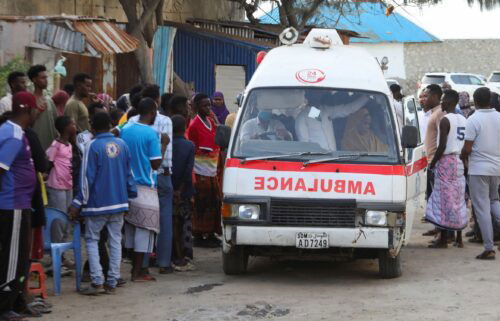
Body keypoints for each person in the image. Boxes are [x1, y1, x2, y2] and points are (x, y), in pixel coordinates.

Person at [69, 112, 137, 294]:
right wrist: (130, 196)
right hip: (119, 201)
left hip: (97, 203)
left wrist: (77, 202)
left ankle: (97, 280)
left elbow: (86, 178)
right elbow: (129, 174)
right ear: (110, 124)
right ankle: (112, 281)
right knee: (115, 241)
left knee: (92, 240)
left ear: (92, 127)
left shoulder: (92, 146)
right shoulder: (122, 145)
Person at [127, 84, 173, 275]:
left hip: (130, 179)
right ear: (156, 103)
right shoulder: (164, 122)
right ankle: (161, 263)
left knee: (136, 223)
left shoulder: (129, 124)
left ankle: (140, 264)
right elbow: (162, 158)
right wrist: (163, 145)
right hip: (156, 177)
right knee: (159, 222)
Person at [0, 92, 37, 321]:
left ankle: (15, 301)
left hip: (18, 203)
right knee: (13, 257)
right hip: (12, 203)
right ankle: (4, 306)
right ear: (29, 110)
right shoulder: (13, 135)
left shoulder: (10, 129)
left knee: (19, 255)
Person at [121, 98, 162, 281]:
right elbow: (155, 163)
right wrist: (165, 144)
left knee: (130, 226)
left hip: (126, 183)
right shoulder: (151, 134)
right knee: (145, 228)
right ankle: (138, 270)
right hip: (145, 185)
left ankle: (136, 268)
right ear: (152, 113)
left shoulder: (126, 129)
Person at [461, 87, 500, 260]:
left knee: (482, 208)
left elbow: (467, 148)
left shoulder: (473, 119)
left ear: (475, 102)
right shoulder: (499, 117)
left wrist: (462, 157)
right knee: (494, 201)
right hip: (496, 168)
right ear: (490, 101)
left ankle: (489, 247)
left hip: (478, 169)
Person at [425, 90, 467, 248]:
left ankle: (443, 239)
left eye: (443, 100)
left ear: (449, 102)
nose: (441, 103)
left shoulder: (446, 120)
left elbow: (442, 146)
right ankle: (459, 238)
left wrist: (433, 163)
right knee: (458, 198)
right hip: (459, 161)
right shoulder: (463, 119)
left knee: (443, 200)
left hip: (446, 162)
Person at [187, 93, 222, 247]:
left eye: (209, 105)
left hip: (212, 169)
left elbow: (219, 137)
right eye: (205, 105)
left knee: (214, 202)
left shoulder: (210, 121)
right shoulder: (194, 125)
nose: (208, 108)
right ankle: (200, 233)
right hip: (201, 170)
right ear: (197, 107)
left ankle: (211, 232)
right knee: (203, 202)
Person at [46, 116, 77, 265]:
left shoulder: (69, 145)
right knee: (57, 221)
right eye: (72, 123)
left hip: (67, 186)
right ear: (65, 127)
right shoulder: (55, 145)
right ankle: (55, 255)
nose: (74, 125)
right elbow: (48, 162)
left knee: (66, 220)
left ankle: (62, 254)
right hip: (57, 185)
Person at [171, 115, 195, 271]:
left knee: (172, 223)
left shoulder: (166, 144)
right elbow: (188, 171)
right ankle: (184, 256)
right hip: (184, 190)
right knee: (185, 223)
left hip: (169, 188)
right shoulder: (189, 146)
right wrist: (181, 190)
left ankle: (173, 255)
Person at [27, 65, 58, 151]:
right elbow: (26, 125)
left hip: (51, 149)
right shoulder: (29, 100)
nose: (46, 80)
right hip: (35, 148)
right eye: (43, 78)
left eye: (46, 77)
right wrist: (37, 111)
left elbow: (56, 123)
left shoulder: (49, 100)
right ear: (34, 80)